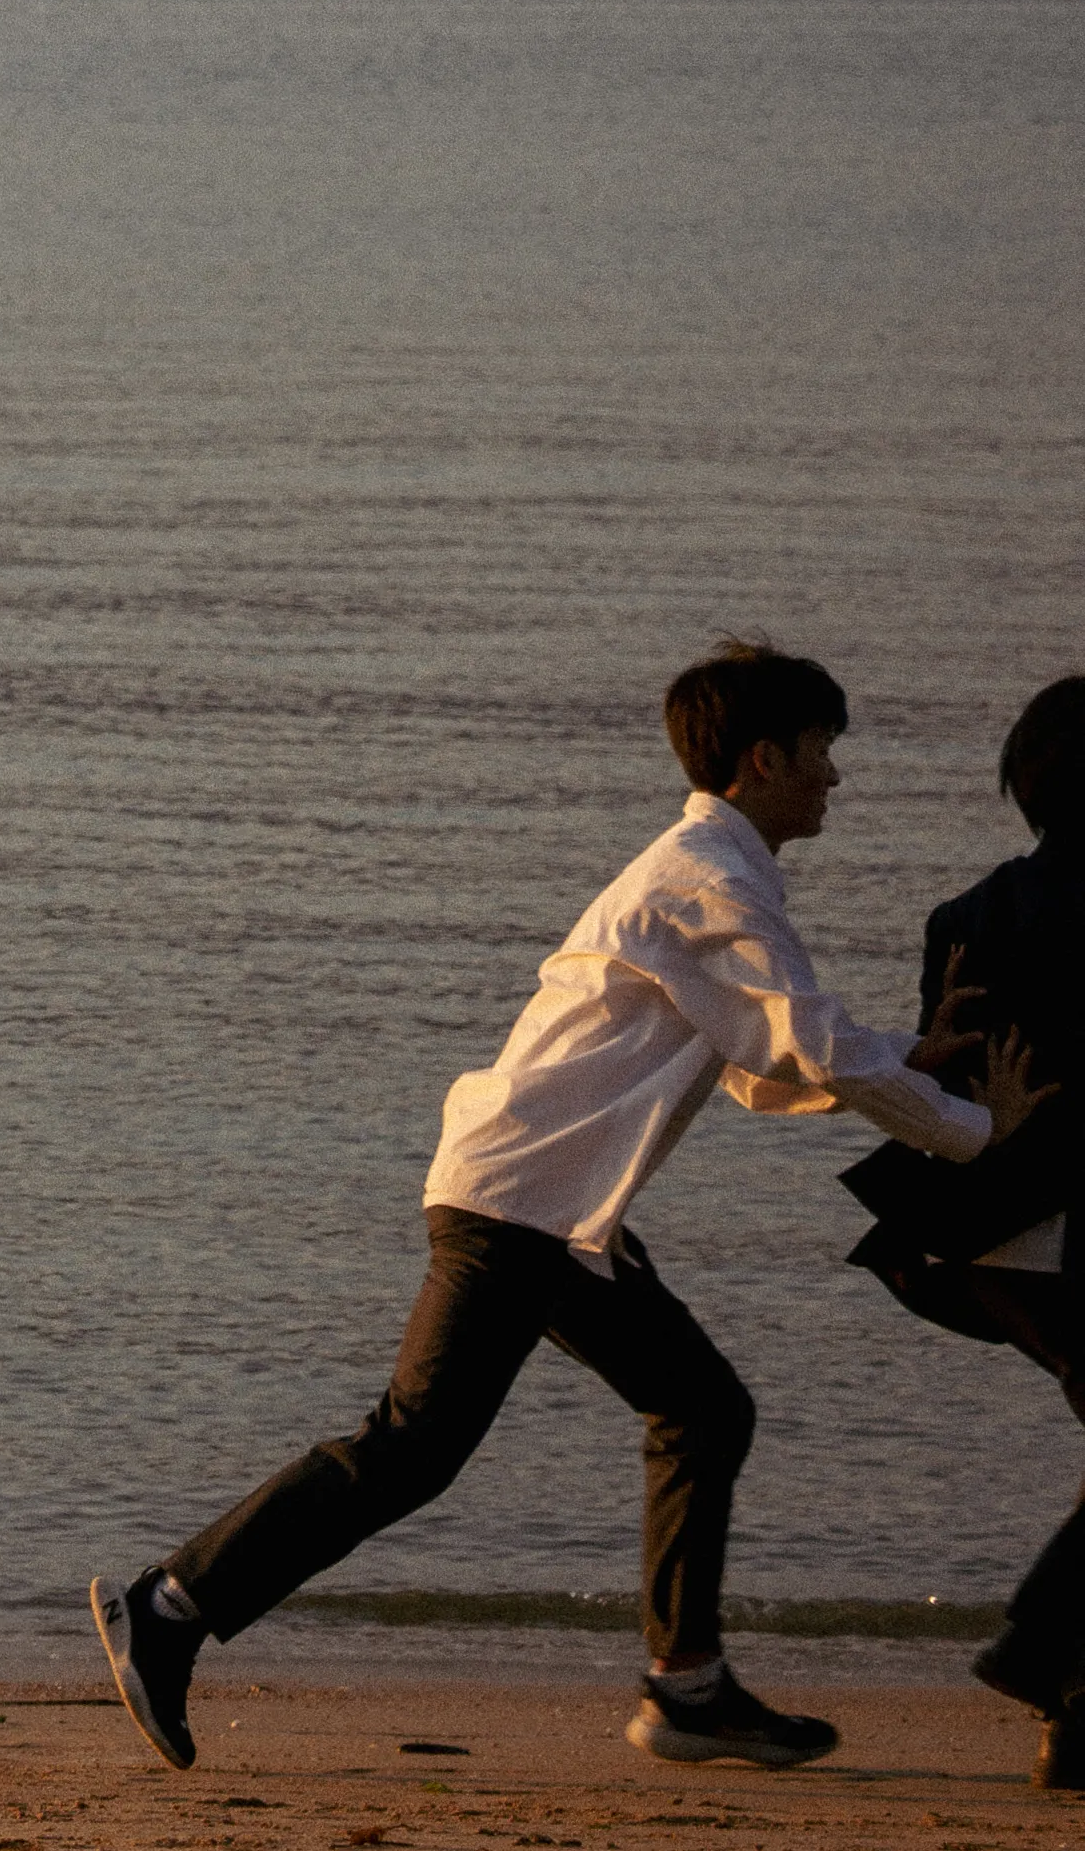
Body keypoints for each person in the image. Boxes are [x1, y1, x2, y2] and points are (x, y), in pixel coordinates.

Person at [92, 637, 986, 1776]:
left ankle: (686, 1684)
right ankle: (168, 1606)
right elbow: (804, 1041)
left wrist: (911, 1052)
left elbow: (767, 1055)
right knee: (413, 1447)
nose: (833, 775)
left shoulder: (713, 871)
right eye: (821, 750)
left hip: (554, 1212)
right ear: (764, 757)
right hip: (515, 1202)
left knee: (700, 1409)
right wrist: (978, 1138)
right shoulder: (705, 876)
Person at [842, 675, 1085, 1792]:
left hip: (975, 1243)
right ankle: (1039, 1650)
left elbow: (946, 1085)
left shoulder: (966, 914)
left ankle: (1070, 1709)